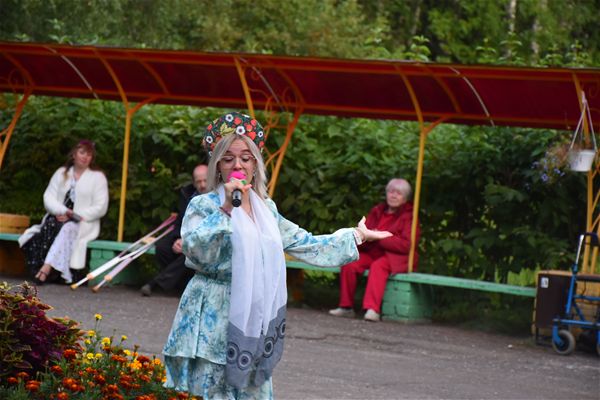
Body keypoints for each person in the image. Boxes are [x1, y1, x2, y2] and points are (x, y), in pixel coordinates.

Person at [162, 112, 392, 399]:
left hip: (252, 313)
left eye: (246, 158)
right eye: (228, 158)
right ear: (217, 166)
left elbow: (304, 243)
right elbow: (196, 251)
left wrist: (357, 236)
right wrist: (226, 210)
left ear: (255, 165)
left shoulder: (266, 209)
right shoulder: (203, 205)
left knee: (253, 390)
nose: (238, 165)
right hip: (210, 311)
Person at [18, 139, 109, 285]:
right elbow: (48, 197)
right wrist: (63, 211)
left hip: (83, 222)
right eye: (82, 152)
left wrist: (74, 215)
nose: (85, 157)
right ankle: (47, 269)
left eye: (89, 154)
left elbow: (101, 206)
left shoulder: (98, 178)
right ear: (74, 154)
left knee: (68, 228)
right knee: (51, 226)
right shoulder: (61, 173)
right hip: (58, 217)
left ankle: (46, 269)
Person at [329, 178, 420, 322]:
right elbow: (365, 233)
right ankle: (346, 307)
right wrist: (363, 236)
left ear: (405, 197)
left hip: (394, 257)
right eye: (391, 191)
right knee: (350, 262)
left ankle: (372, 309)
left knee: (378, 267)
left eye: (399, 193)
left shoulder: (409, 216)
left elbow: (406, 245)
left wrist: (379, 237)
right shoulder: (377, 210)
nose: (393, 195)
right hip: (372, 252)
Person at [140, 164, 209, 296]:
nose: (202, 185)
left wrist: (188, 240)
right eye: (198, 181)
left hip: (204, 240)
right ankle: (181, 285)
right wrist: (177, 239)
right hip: (185, 236)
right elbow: (180, 222)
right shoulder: (187, 194)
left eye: (205, 180)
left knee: (190, 251)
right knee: (162, 248)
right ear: (194, 183)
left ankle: (156, 283)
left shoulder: (217, 196)